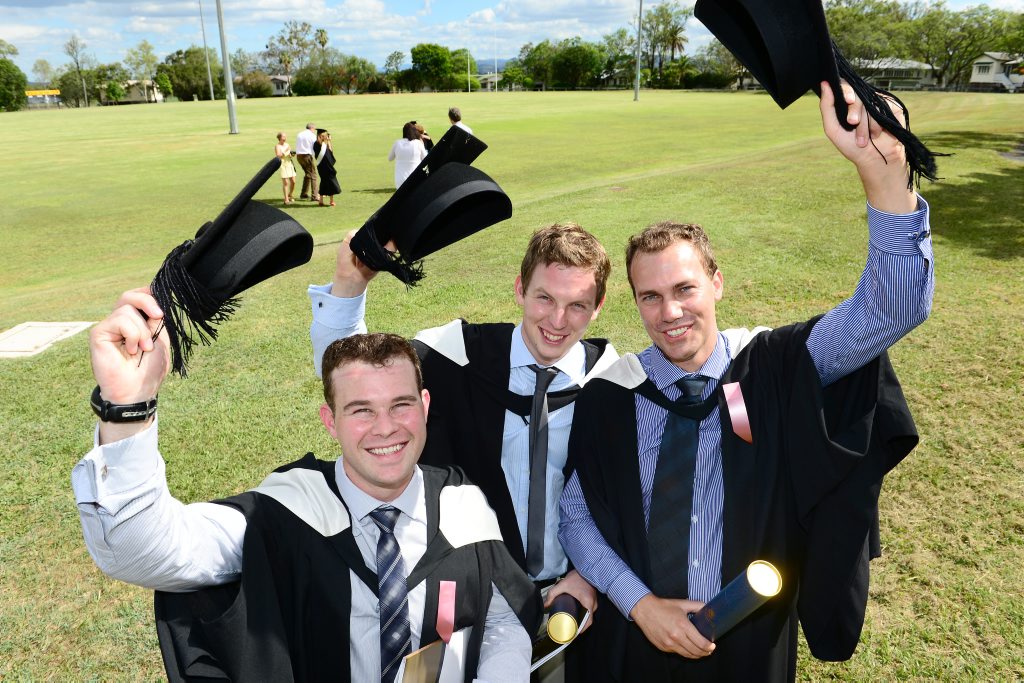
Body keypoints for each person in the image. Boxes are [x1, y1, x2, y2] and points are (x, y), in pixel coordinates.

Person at [557, 81, 934, 681]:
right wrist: (639, 604)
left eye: (685, 290)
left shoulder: (776, 366)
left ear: (718, 284)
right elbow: (577, 513)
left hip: (751, 644)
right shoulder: (612, 395)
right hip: (635, 648)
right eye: (649, 297)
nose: (670, 312)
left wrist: (884, 179)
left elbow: (891, 310)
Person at [72, 290, 539, 681]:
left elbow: (502, 616)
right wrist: (128, 408)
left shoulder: (462, 505)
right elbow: (140, 549)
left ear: (425, 405)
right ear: (329, 422)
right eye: (360, 410)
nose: (386, 428)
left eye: (401, 405)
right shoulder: (286, 513)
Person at [309, 224, 620, 676]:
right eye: (544, 298)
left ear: (598, 309)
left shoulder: (615, 387)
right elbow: (355, 370)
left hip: (573, 604)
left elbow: (631, 503)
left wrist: (590, 574)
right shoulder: (455, 360)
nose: (557, 321)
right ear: (519, 289)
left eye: (578, 306)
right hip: (470, 599)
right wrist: (348, 288)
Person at [387, 122, 428, 189]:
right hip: (415, 178)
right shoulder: (418, 143)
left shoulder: (397, 143)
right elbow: (425, 158)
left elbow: (390, 158)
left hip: (400, 179)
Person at [314, 128, 341, 207]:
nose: (325, 137)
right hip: (322, 166)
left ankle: (329, 201)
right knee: (325, 182)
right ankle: (323, 200)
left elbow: (330, 151)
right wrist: (323, 139)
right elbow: (320, 151)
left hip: (329, 166)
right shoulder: (316, 144)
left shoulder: (325, 143)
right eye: (323, 135)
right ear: (319, 136)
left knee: (329, 182)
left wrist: (329, 141)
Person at [295, 122, 319, 202]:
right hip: (307, 156)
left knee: (308, 174)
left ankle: (304, 193)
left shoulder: (300, 134)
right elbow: (315, 146)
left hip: (299, 156)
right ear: (312, 128)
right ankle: (315, 196)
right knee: (313, 175)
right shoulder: (312, 135)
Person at [275, 131, 296, 204]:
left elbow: (289, 154)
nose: (285, 138)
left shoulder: (287, 144)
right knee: (286, 183)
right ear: (279, 138)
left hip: (289, 164)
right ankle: (286, 199)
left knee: (293, 181)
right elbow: (278, 156)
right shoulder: (277, 146)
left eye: (285, 136)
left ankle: (290, 195)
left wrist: (292, 154)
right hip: (283, 165)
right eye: (283, 137)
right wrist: (286, 150)